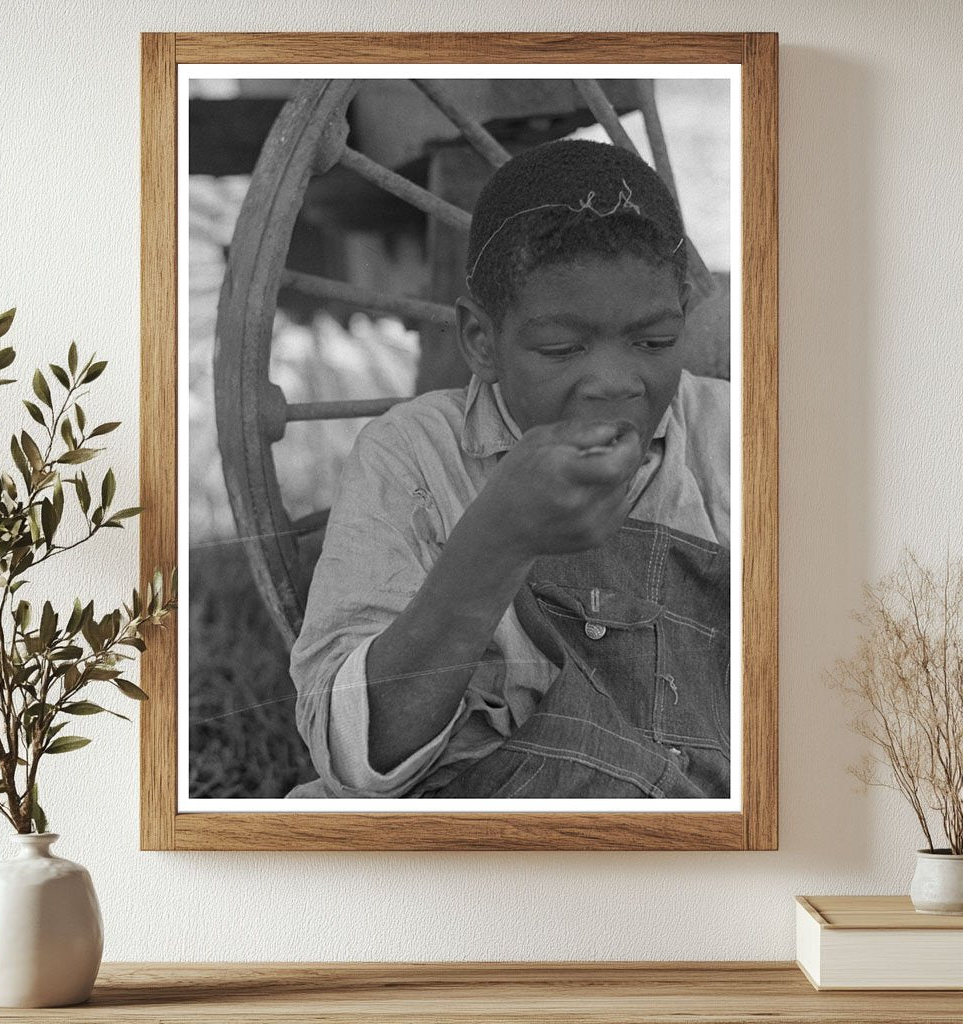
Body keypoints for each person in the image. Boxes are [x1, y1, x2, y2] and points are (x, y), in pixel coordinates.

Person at [287, 138, 730, 799]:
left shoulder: (735, 440)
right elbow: (354, 758)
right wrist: (496, 540)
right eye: (560, 348)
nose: (612, 383)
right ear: (480, 341)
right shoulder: (413, 455)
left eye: (654, 342)